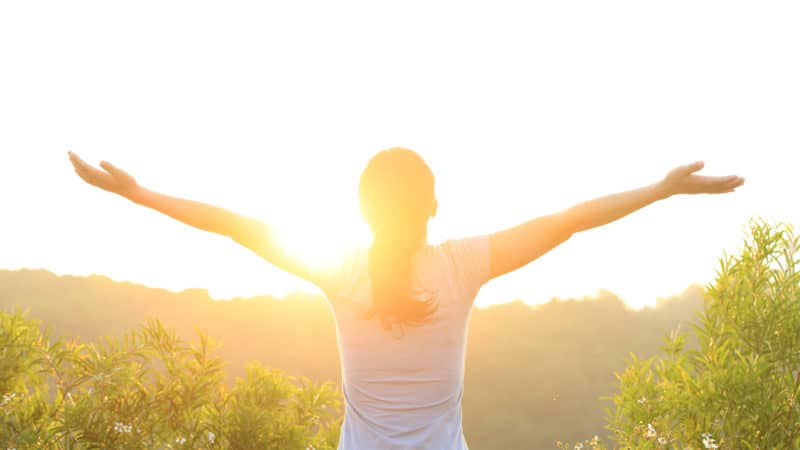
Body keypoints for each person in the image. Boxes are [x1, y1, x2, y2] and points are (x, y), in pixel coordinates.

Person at [68, 148, 744, 449]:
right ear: (434, 204)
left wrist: (137, 192)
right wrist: (661, 189)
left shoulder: (342, 270)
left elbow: (233, 224)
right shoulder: (462, 265)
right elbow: (569, 219)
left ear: (363, 213)